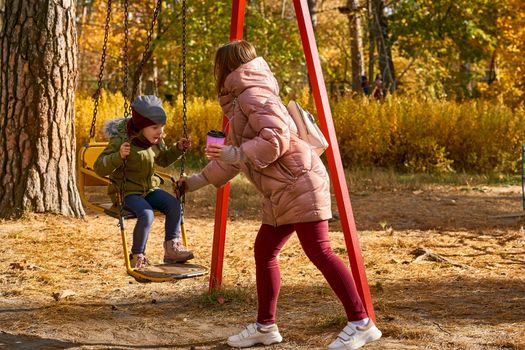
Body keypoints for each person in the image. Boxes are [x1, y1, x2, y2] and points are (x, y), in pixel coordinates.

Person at [176, 41, 381, 350]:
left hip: (298, 184)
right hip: (281, 191)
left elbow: (276, 142)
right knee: (265, 251)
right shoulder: (242, 100)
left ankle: (361, 323)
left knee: (320, 251)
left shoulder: (253, 96)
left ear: (226, 68)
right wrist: (192, 183)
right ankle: (265, 327)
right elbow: (232, 161)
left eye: (217, 67)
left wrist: (233, 151)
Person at [94, 95, 193, 269]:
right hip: (126, 192)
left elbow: (162, 160)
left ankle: (172, 248)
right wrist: (118, 157)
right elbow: (99, 167)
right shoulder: (121, 140)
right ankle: (137, 255)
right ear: (141, 126)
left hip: (148, 189)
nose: (160, 131)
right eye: (155, 127)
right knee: (147, 214)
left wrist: (177, 149)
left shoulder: (154, 142)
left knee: (174, 204)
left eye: (161, 127)